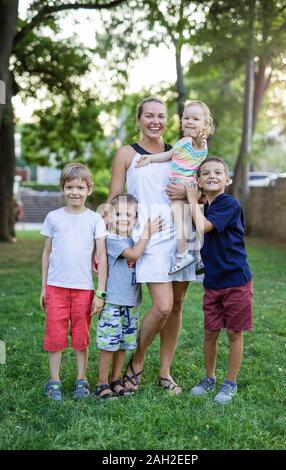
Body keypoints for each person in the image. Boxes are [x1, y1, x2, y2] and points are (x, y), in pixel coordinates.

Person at [104, 97, 201, 395]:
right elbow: (113, 202)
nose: (155, 121)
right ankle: (137, 361)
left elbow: (198, 189)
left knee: (177, 306)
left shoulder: (179, 151)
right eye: (149, 116)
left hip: (181, 233)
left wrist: (187, 191)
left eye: (160, 116)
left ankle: (164, 373)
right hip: (148, 236)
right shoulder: (125, 154)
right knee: (162, 306)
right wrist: (112, 241)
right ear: (140, 119)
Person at [185, 157, 253, 404]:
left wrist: (193, 200)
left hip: (236, 281)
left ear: (228, 179)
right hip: (213, 283)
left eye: (217, 172)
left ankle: (230, 382)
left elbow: (203, 227)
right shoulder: (206, 204)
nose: (211, 176)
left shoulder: (228, 204)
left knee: (234, 332)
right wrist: (194, 199)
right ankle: (209, 377)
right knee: (210, 332)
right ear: (199, 181)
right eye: (205, 173)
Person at [40, 163, 107, 401]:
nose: (74, 192)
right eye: (70, 187)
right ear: (63, 188)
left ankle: (81, 378)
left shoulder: (95, 219)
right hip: (56, 287)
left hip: (83, 289)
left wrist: (100, 292)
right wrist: (43, 287)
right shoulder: (53, 217)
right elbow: (47, 252)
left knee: (81, 334)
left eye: (80, 187)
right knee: (55, 334)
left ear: (89, 189)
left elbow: (101, 257)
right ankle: (54, 380)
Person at [95, 193, 164, 399]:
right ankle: (102, 383)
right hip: (113, 302)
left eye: (129, 215)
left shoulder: (131, 238)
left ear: (135, 219)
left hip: (131, 302)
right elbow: (134, 255)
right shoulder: (112, 239)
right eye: (118, 213)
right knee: (109, 345)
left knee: (124, 344)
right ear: (109, 215)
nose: (123, 218)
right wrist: (147, 234)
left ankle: (116, 380)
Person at [136, 100, 214, 275]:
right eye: (186, 118)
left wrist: (199, 138)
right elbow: (169, 155)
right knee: (190, 222)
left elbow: (199, 144)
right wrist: (150, 158)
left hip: (185, 185)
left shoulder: (197, 142)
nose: (189, 122)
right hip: (184, 186)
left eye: (195, 119)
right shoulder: (183, 142)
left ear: (205, 124)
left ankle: (183, 255)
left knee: (181, 220)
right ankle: (199, 257)